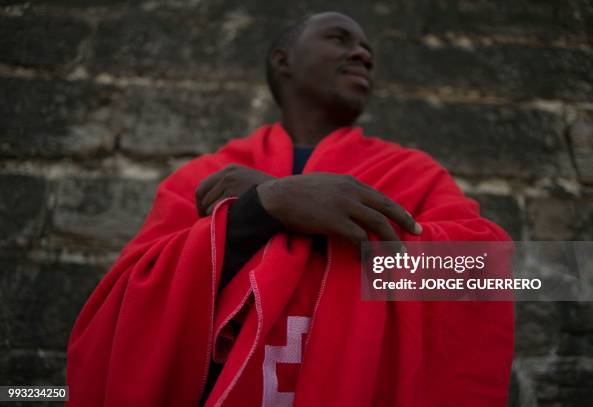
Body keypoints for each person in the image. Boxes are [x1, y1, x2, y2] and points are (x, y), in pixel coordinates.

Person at [65, 11, 514, 407]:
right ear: (284, 60)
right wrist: (260, 209)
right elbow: (122, 306)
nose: (363, 55)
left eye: (368, 49)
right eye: (340, 39)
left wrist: (293, 203)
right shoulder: (206, 176)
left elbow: (481, 267)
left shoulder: (414, 172)